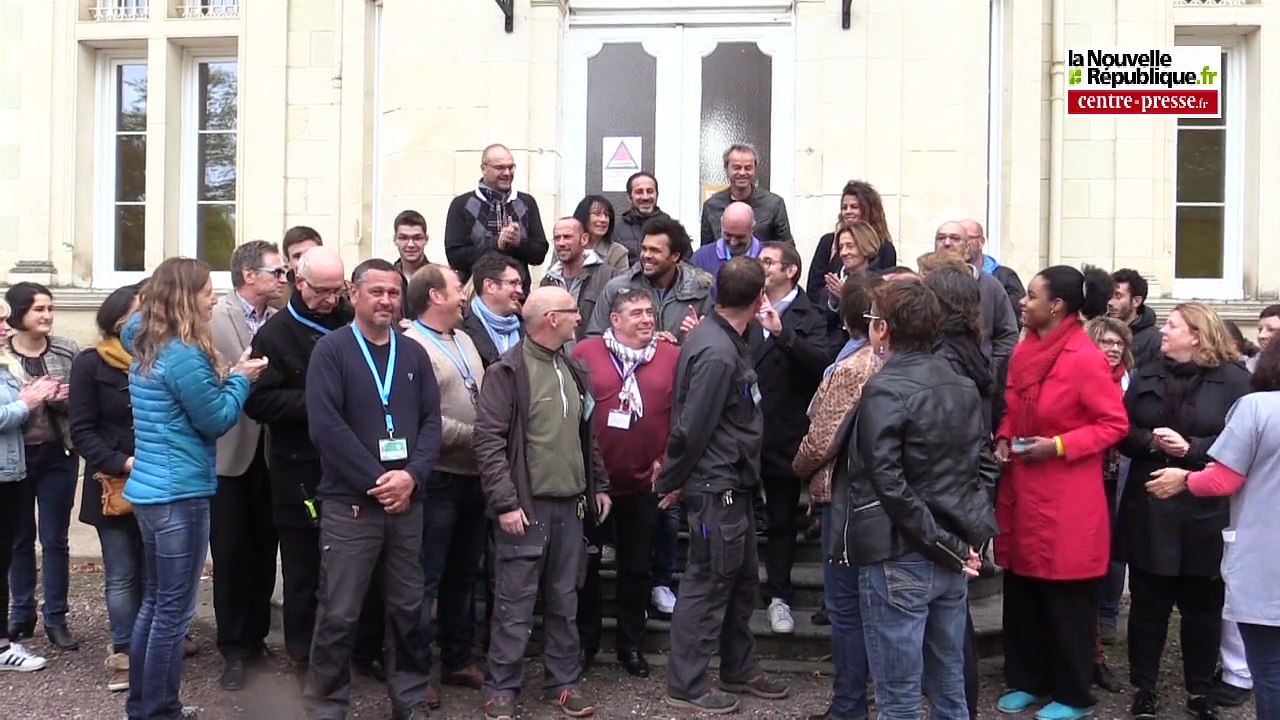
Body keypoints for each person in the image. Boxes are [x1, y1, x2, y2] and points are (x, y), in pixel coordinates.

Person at [835, 279, 997, 720]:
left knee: (900, 694)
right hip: (945, 547)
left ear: (883, 328)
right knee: (948, 684)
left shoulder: (884, 389)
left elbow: (887, 483)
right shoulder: (960, 384)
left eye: (873, 320)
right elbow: (983, 468)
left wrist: (948, 542)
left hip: (903, 551)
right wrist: (964, 538)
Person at [122, 257, 266, 719]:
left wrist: (227, 378)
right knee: (172, 613)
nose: (214, 299)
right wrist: (241, 379)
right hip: (178, 494)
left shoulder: (146, 339)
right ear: (186, 297)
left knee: (155, 604)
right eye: (207, 291)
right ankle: (157, 710)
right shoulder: (182, 354)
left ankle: (145, 704)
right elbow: (217, 418)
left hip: (154, 490)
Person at [303, 258, 441, 720]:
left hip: (407, 504)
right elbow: (326, 427)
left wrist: (412, 476)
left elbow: (431, 422)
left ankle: (410, 698)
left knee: (409, 609)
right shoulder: (332, 351)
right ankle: (326, 705)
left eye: (393, 292)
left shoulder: (414, 353)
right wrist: (378, 480)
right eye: (377, 292)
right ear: (354, 294)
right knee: (339, 612)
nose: (386, 300)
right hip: (352, 506)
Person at [993, 265, 1130, 720]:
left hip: (1066, 496)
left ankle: (1072, 693)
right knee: (1024, 590)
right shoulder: (1024, 349)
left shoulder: (1084, 357)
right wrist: (1004, 436)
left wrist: (1057, 446)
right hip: (1022, 488)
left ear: (1056, 306)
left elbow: (1113, 424)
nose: (1022, 301)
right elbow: (1013, 406)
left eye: (1032, 296)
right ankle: (1028, 680)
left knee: (1065, 598)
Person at [242, 247, 386, 680]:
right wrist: (320, 403)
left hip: (356, 464)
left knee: (362, 564)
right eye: (321, 290)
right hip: (300, 468)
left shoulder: (351, 322)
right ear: (298, 282)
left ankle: (363, 649)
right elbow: (258, 402)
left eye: (336, 290)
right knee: (304, 568)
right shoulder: (275, 335)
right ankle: (304, 655)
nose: (329, 299)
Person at [657, 258, 790, 713]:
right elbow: (691, 427)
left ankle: (739, 666)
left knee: (741, 580)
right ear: (758, 299)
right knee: (709, 581)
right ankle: (687, 684)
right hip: (717, 487)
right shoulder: (716, 351)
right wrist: (673, 478)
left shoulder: (728, 339)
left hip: (735, 483)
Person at [473, 286, 611, 720]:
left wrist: (599, 485)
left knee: (565, 601)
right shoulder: (508, 371)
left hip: (571, 508)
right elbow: (488, 442)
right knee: (514, 604)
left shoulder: (573, 368)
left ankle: (563, 684)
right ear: (552, 318)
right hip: (526, 508)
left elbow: (587, 435)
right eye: (572, 311)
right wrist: (505, 502)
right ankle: (501, 688)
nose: (579, 318)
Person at [1117, 302, 1252, 720]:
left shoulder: (1234, 380)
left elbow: (1244, 440)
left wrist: (1191, 449)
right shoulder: (1147, 374)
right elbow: (1121, 429)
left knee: (1202, 605)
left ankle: (1199, 689)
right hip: (1150, 502)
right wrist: (1153, 443)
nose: (1164, 331)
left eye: (1173, 326)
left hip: (1205, 507)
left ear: (1197, 335)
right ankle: (1144, 688)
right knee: (1148, 604)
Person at [1146, 339, 1280, 720]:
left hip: (1266, 562)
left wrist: (1184, 479)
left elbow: (1224, 479)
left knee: (1271, 673)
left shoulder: (1257, 407)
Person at [571, 285, 679, 679]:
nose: (647, 319)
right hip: (593, 485)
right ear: (614, 320)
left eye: (650, 312)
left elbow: (682, 415)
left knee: (636, 569)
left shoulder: (671, 355)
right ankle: (585, 644)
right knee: (587, 568)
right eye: (637, 313)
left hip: (644, 485)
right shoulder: (585, 354)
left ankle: (630, 646)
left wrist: (668, 463)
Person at [792, 274, 883, 720]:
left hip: (846, 497)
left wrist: (798, 467)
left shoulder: (852, 367)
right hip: (872, 496)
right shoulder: (887, 360)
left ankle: (849, 704)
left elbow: (821, 439)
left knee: (845, 607)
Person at [403, 264, 489, 708]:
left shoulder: (465, 340)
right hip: (436, 478)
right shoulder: (411, 346)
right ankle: (416, 672)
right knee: (426, 578)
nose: (464, 295)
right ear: (435, 295)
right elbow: (423, 419)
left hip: (474, 476)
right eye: (458, 288)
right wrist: (482, 436)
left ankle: (456, 658)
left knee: (463, 574)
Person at [208, 240, 286, 690]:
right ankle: (233, 649)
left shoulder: (278, 320)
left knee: (263, 551)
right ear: (249, 275)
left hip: (272, 453)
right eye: (276, 271)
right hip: (230, 452)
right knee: (231, 553)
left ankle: (256, 642)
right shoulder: (213, 318)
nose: (283, 279)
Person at [750, 241, 831, 635]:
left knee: (782, 521)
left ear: (791, 270)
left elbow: (821, 364)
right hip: (745, 436)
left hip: (786, 433)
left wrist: (783, 335)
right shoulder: (745, 308)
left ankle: (778, 595)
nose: (761, 266)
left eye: (768, 261)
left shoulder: (811, 315)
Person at [68, 284, 143, 691]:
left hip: (159, 482)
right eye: (140, 311)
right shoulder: (90, 363)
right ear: (119, 320)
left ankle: (156, 646)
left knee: (157, 570)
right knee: (122, 573)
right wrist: (122, 462)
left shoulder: (160, 359)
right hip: (112, 486)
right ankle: (124, 653)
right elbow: (82, 431)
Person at [4, 282, 80, 651]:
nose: (47, 315)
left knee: (55, 538)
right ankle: (21, 613)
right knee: (19, 539)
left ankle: (56, 617)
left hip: (57, 455)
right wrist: (29, 400)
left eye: (50, 308)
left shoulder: (67, 350)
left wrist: (63, 398)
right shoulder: (4, 355)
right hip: (16, 458)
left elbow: (85, 403)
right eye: (39, 309)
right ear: (18, 313)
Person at [0, 299, 61, 673]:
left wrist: (41, 396)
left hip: (11, 472)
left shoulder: (4, 363)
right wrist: (27, 402)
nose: (5, 327)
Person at [1081, 315, 1134, 695]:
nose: (1114, 349)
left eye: (1119, 343)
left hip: (1119, 478)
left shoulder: (1131, 382)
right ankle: (1092, 651)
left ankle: (1106, 623)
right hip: (1087, 478)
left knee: (1115, 554)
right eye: (1107, 342)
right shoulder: (1084, 379)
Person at [587, 215, 714, 342]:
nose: (646, 255)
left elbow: (713, 344)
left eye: (655, 250)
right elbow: (594, 338)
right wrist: (639, 342)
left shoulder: (700, 290)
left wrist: (696, 338)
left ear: (675, 256)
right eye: (644, 249)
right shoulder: (618, 289)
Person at [445, 143, 550, 294]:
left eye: (511, 167)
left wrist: (518, 242)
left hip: (518, 296)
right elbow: (455, 257)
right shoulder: (461, 205)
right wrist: (496, 244)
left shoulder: (527, 203)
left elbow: (539, 254)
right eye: (500, 168)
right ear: (484, 169)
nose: (507, 173)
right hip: (475, 296)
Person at [806, 181, 897, 308]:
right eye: (844, 208)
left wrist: (847, 296)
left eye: (854, 207)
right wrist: (831, 298)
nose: (847, 212)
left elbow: (885, 293)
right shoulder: (828, 242)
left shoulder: (885, 248)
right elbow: (813, 290)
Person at [540, 217, 623, 340]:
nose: (561, 243)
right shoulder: (548, 282)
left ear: (584, 239)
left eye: (567, 237)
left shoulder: (609, 277)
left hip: (594, 349)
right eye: (557, 238)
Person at [699, 143, 792, 245]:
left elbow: (787, 248)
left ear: (755, 169)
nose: (742, 173)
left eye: (748, 168)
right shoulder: (711, 206)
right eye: (737, 167)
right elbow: (706, 250)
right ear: (726, 169)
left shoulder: (774, 204)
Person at [461, 252, 526, 368]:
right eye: (513, 283)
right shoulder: (461, 330)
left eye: (520, 284)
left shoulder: (527, 328)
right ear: (490, 286)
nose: (520, 291)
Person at [961, 218, 1024, 319]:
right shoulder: (944, 277)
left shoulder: (1005, 277)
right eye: (958, 239)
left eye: (968, 238)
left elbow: (1014, 316)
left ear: (981, 242)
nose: (964, 244)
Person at [690, 201, 763, 287]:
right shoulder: (701, 259)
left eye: (740, 237)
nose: (733, 243)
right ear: (721, 225)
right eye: (728, 235)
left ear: (752, 228)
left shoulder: (766, 258)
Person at [1108, 268, 1161, 369]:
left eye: (1118, 296)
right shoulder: (1099, 332)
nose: (1110, 302)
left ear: (1136, 301)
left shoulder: (1155, 341)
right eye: (1109, 295)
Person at [614, 171, 670, 264]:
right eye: (639, 192)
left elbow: (685, 263)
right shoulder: (617, 231)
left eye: (650, 191)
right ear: (629, 197)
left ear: (657, 194)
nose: (645, 197)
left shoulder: (671, 227)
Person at [390, 210, 431, 319]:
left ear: (426, 240)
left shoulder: (438, 278)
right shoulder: (388, 278)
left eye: (417, 238)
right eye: (403, 238)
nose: (410, 244)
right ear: (395, 240)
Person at [572, 195, 630, 272]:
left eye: (607, 215)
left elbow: (623, 279)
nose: (603, 220)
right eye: (597, 214)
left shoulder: (618, 253)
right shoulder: (567, 245)